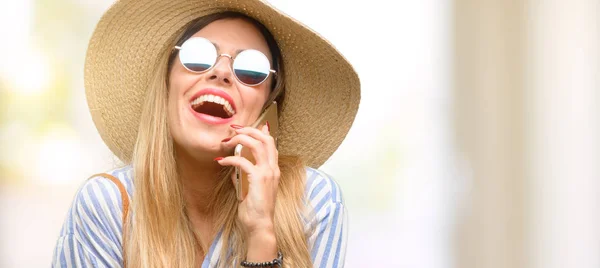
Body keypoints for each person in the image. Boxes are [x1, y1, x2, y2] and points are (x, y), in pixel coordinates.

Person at [52, 0, 359, 267]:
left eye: (252, 69)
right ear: (167, 85)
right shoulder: (106, 204)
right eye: (197, 56)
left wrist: (261, 232)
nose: (221, 72)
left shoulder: (314, 203)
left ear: (269, 108)